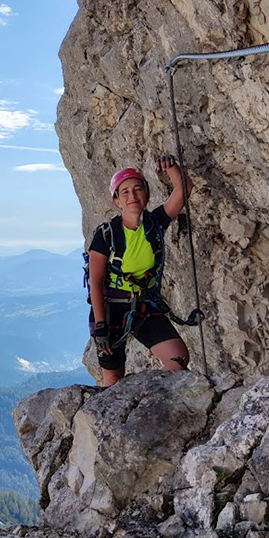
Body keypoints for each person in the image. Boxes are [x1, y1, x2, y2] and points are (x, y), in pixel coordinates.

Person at [87, 155, 193, 387]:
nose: (132, 196)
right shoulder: (106, 235)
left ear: (146, 195)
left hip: (144, 306)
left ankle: (144, 396)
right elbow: (95, 282)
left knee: (178, 359)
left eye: (137, 189)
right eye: (124, 192)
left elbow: (183, 191)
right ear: (117, 201)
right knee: (113, 378)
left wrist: (171, 168)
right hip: (110, 309)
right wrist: (101, 326)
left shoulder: (155, 223)